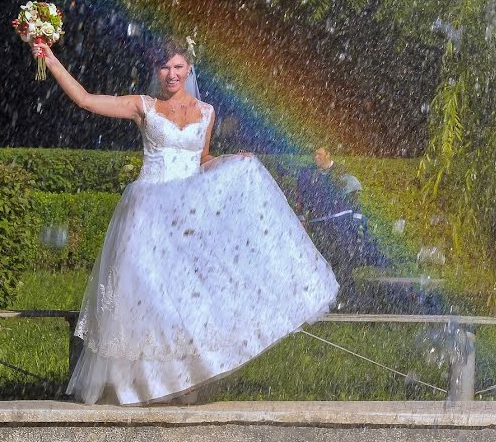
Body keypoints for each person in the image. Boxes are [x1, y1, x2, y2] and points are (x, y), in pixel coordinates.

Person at [27, 34, 339, 406]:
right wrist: (49, 57)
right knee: (147, 301)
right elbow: (86, 99)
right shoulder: (144, 106)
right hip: (147, 213)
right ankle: (137, 387)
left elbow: (203, 159)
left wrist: (234, 161)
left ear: (189, 68)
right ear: (157, 71)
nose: (171, 74)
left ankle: (183, 380)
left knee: (186, 300)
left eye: (177, 67)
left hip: (187, 216)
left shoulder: (206, 112)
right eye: (164, 67)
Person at [296, 147, 382, 307]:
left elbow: (355, 201)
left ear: (328, 155)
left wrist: (355, 222)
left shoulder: (341, 173)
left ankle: (347, 298)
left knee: (343, 263)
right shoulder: (312, 175)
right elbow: (303, 199)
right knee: (324, 262)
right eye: (315, 155)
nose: (316, 158)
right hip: (321, 227)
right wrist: (302, 216)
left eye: (320, 154)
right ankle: (326, 298)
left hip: (341, 228)